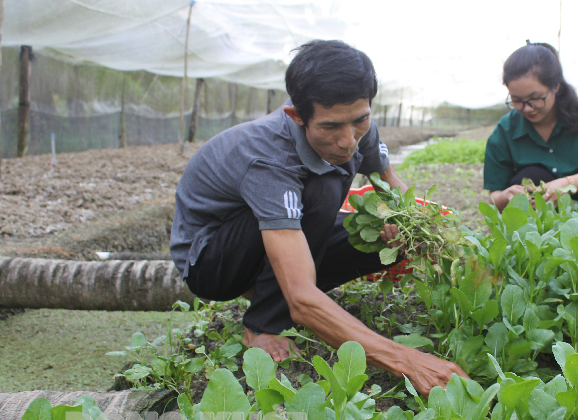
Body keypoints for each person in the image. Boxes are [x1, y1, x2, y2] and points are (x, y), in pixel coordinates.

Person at [170, 40, 467, 396]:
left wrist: (407, 221)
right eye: (331, 127)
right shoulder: (268, 158)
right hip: (214, 261)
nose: (347, 141)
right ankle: (263, 322)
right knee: (322, 187)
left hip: (277, 234)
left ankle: (275, 283)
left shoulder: (356, 127)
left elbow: (391, 181)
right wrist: (407, 360)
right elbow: (300, 297)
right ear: (297, 115)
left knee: (389, 236)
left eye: (360, 120)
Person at [484, 41, 578, 212]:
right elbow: (493, 197)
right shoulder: (505, 130)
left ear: (556, 86)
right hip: (541, 224)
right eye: (517, 100)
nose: (526, 108)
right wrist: (505, 197)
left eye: (535, 98)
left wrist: (567, 184)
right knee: (531, 175)